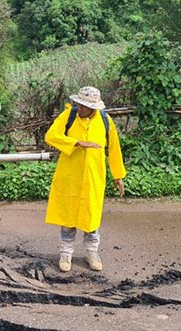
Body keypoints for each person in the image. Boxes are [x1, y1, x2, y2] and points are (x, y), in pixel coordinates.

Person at [44, 86, 126, 272]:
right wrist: (76, 142)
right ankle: (66, 254)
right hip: (69, 175)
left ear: (94, 108)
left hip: (93, 177)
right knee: (68, 218)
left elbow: (114, 148)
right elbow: (51, 135)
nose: (79, 108)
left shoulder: (105, 121)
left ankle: (92, 253)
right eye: (78, 104)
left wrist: (118, 176)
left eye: (84, 106)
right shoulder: (68, 116)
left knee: (91, 218)